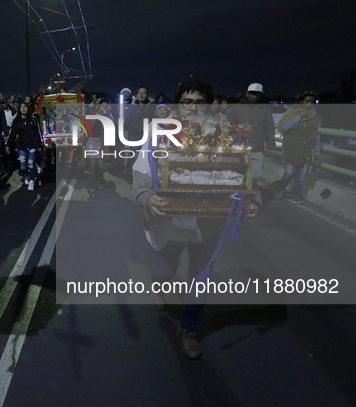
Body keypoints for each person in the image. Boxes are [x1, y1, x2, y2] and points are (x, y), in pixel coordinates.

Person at [132, 77, 257, 359]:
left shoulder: (227, 136)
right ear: (179, 104)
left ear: (210, 106)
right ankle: (158, 284)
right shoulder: (160, 134)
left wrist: (249, 201)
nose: (192, 108)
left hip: (210, 225)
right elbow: (140, 173)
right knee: (165, 271)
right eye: (187, 102)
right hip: (170, 222)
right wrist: (146, 197)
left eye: (199, 103)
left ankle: (188, 329)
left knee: (200, 279)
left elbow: (246, 176)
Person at [227, 83, 276, 203]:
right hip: (239, 148)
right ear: (247, 93)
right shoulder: (236, 108)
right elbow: (227, 126)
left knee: (256, 175)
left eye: (258, 94)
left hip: (257, 147)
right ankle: (240, 198)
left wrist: (269, 146)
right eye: (253, 94)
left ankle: (249, 194)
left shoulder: (265, 109)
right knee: (237, 174)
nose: (255, 97)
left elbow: (270, 128)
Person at [274, 91, 320, 204]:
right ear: (301, 101)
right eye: (306, 101)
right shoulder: (291, 113)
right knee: (289, 172)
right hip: (291, 149)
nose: (309, 104)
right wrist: (300, 117)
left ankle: (296, 195)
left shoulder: (314, 116)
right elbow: (285, 127)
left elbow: (316, 132)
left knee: (301, 175)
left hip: (306, 151)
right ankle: (280, 190)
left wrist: (317, 147)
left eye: (311, 102)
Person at [8, 102, 43, 191]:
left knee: (31, 163)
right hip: (21, 146)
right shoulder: (16, 121)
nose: (23, 109)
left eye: (25, 107)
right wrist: (8, 144)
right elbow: (12, 134)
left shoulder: (33, 119)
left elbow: (38, 133)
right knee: (23, 165)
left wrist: (40, 145)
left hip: (33, 145)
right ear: (19, 109)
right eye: (21, 107)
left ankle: (32, 180)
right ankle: (27, 176)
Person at [87, 96, 112, 192]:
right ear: (99, 105)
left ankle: (99, 180)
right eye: (102, 106)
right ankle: (93, 184)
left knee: (101, 166)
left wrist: (105, 116)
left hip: (102, 143)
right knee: (92, 165)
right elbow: (86, 129)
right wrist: (84, 142)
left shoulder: (109, 116)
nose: (104, 108)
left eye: (106, 107)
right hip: (91, 141)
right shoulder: (92, 114)